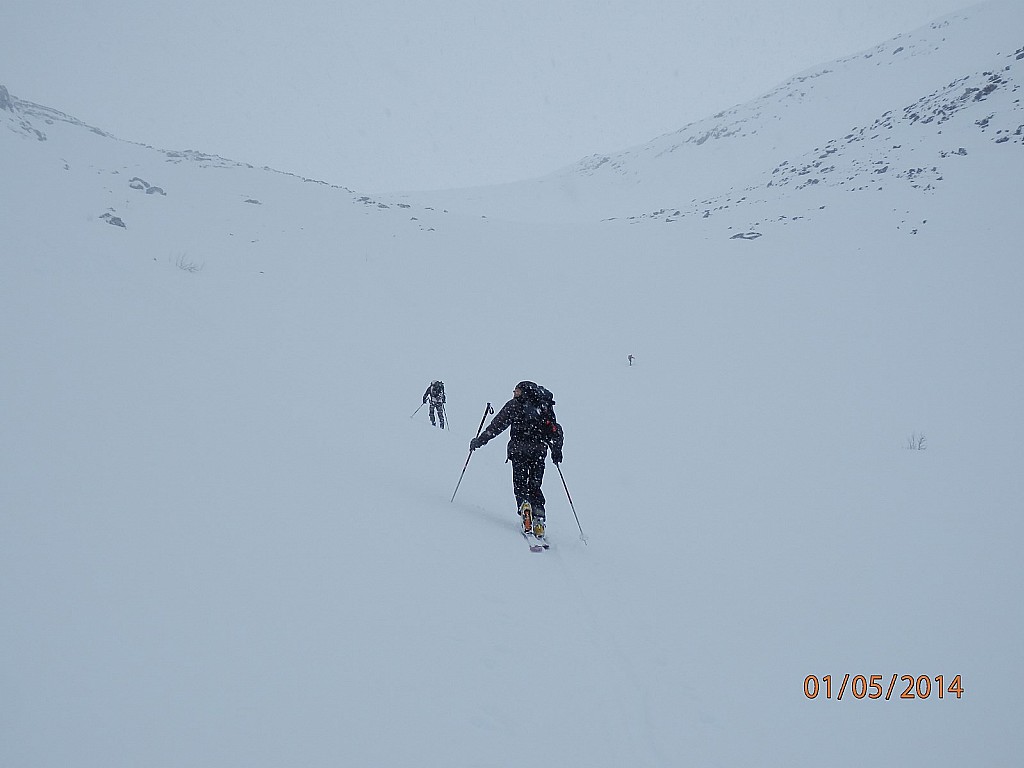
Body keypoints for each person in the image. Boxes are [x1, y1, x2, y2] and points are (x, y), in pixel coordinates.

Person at [469, 381, 563, 537]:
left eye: (516, 391)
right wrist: (557, 450)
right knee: (535, 484)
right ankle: (539, 518)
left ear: (523, 391)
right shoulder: (543, 406)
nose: (514, 393)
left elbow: (496, 426)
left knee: (520, 483)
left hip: (518, 450)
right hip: (539, 451)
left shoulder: (514, 405)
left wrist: (480, 440)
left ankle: (525, 508)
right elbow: (555, 430)